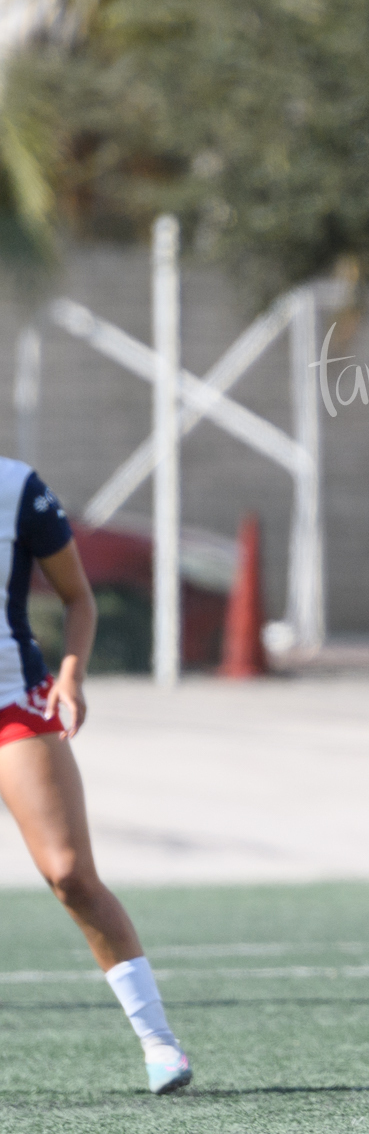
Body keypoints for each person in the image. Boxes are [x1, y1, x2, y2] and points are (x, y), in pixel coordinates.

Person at [1, 462, 191, 1093]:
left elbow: (77, 596)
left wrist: (72, 676)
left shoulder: (16, 487)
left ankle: (159, 1042)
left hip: (13, 703)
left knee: (70, 875)